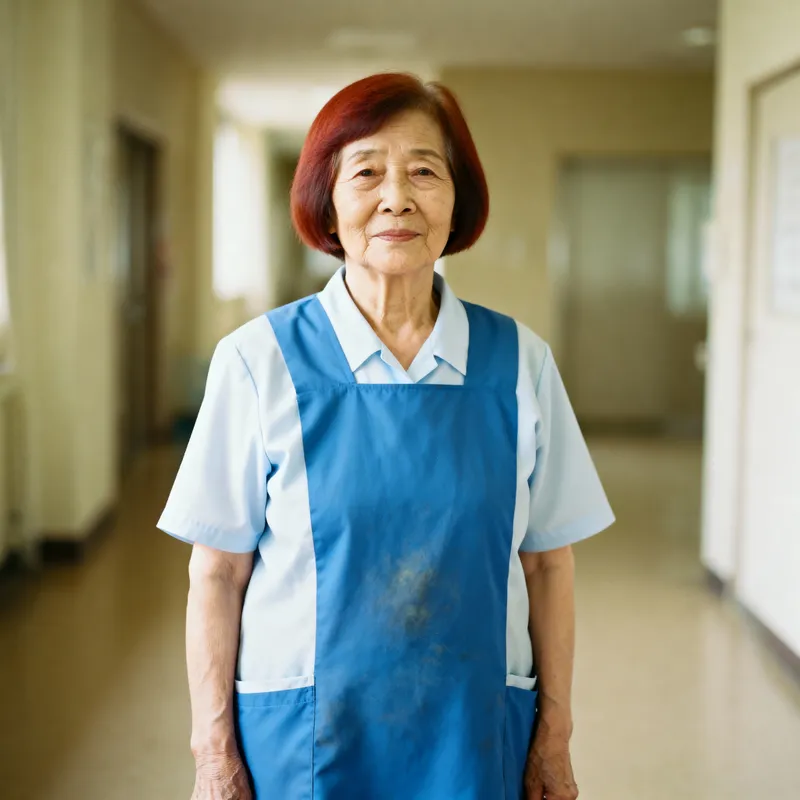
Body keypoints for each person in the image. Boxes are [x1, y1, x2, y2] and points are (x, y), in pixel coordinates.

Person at [158, 72, 614, 800]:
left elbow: (548, 568)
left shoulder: (518, 363)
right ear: (328, 203)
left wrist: (554, 737)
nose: (397, 197)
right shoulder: (258, 361)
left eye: (425, 172)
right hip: (306, 736)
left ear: (457, 198)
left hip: (476, 730)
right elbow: (216, 574)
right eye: (366, 171)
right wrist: (212, 750)